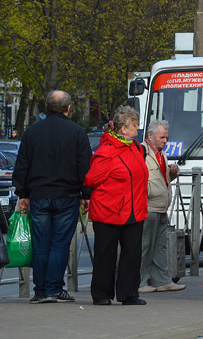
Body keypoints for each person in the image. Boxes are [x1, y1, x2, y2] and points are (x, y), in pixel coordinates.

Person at [12, 90, 92, 304]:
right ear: (68, 108)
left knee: (41, 243)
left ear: (47, 108)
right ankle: (55, 288)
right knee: (59, 244)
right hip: (67, 195)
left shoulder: (32, 132)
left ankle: (40, 290)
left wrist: (23, 194)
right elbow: (84, 167)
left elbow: (22, 165)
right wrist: (86, 194)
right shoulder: (77, 132)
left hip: (39, 195)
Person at [85, 106, 149, 306]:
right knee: (106, 255)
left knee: (132, 254)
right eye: (135, 125)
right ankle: (101, 294)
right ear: (123, 129)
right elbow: (91, 180)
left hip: (134, 209)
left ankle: (129, 293)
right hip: (109, 210)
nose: (138, 129)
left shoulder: (137, 148)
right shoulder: (107, 151)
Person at [138, 120, 184, 294]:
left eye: (166, 137)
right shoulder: (142, 151)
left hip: (161, 206)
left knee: (160, 247)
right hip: (148, 207)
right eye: (161, 137)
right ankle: (141, 281)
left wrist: (173, 173)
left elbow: (161, 180)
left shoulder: (160, 154)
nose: (165, 141)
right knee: (145, 246)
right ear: (150, 136)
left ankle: (162, 280)